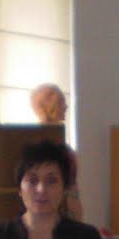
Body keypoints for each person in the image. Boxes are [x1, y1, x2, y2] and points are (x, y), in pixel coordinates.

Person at [29, 82, 84, 221]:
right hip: (58, 207)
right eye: (62, 102)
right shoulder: (42, 140)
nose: (66, 106)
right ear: (51, 105)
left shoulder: (57, 138)